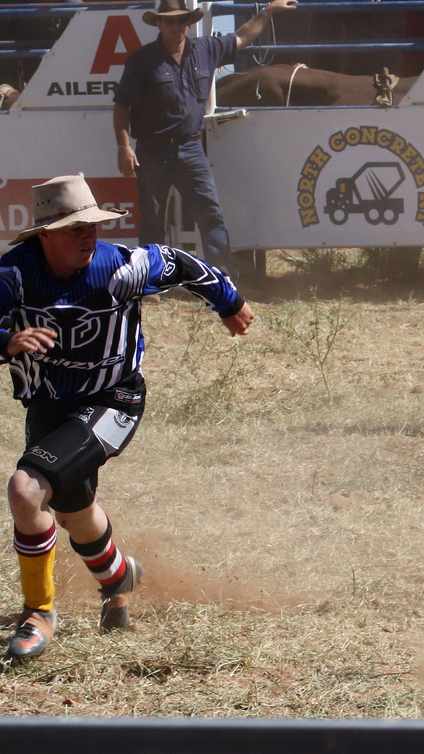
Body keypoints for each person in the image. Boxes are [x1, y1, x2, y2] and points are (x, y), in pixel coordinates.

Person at [1, 173, 254, 659]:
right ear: (44, 235)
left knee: (25, 490)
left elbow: (180, 264)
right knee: (73, 514)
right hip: (50, 405)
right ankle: (119, 578)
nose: (89, 235)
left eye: (92, 225)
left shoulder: (122, 267)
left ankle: (38, 612)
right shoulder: (13, 275)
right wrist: (6, 341)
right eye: (75, 228)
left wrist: (228, 301)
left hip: (115, 400)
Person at [112, 0, 295, 278]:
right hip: (152, 149)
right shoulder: (142, 60)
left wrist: (268, 11)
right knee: (152, 219)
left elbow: (242, 37)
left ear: (189, 23)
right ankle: (149, 282)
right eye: (170, 22)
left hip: (191, 148)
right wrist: (124, 146)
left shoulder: (205, 49)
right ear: (159, 24)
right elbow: (122, 105)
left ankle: (222, 279)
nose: (177, 27)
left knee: (210, 214)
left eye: (182, 21)